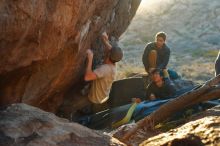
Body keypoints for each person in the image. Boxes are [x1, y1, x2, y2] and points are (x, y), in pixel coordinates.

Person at [83, 32, 123, 113]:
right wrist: (105, 40)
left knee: (91, 119)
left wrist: (90, 58)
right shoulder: (113, 62)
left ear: (109, 55)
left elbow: (87, 77)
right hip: (103, 97)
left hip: (96, 101)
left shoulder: (105, 69)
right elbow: (111, 50)